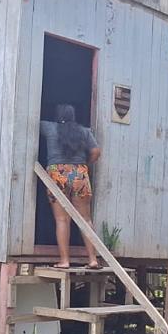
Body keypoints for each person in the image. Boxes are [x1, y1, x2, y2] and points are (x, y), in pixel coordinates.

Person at [38, 103, 102, 270]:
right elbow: (96, 151)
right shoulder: (84, 132)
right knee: (86, 219)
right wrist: (85, 165)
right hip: (79, 174)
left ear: (57, 116)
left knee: (62, 219)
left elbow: (32, 122)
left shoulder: (50, 128)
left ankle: (64, 261)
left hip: (57, 175)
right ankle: (93, 260)